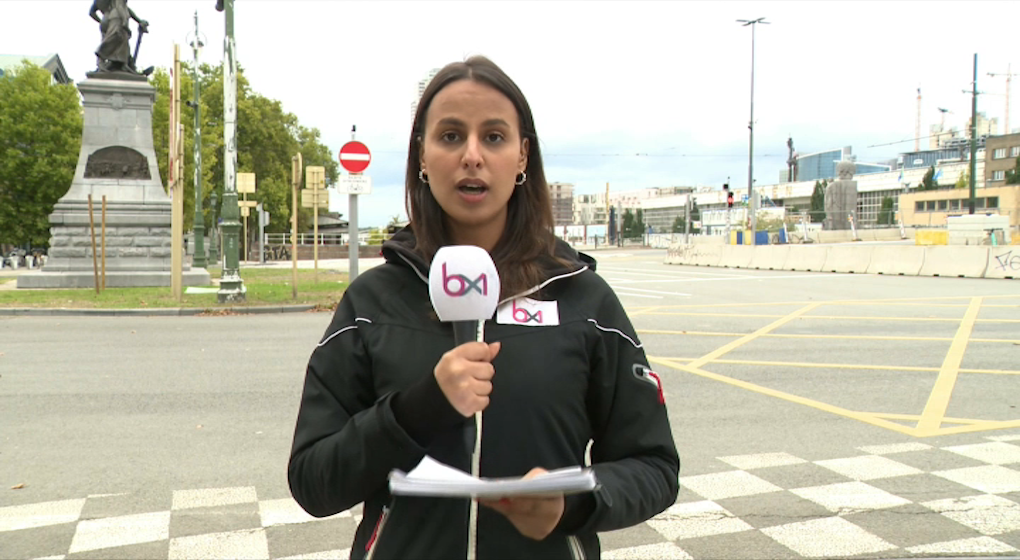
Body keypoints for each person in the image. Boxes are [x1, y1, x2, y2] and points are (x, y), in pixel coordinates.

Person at [288, 55, 679, 560]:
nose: (472, 156)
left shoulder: (584, 298)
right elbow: (313, 481)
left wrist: (573, 505)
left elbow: (653, 466)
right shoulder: (370, 302)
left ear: (522, 156)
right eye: (451, 136)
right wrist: (415, 411)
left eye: (494, 137)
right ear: (422, 156)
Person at [89, 0, 148, 73]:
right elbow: (120, 7)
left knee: (117, 43)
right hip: (117, 18)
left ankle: (117, 64)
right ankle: (102, 61)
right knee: (115, 40)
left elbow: (91, 13)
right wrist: (125, 21)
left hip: (106, 20)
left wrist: (101, 21)